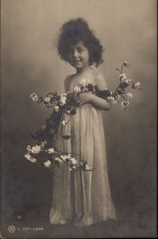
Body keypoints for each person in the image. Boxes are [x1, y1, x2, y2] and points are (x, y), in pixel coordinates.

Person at [49, 18, 116, 226]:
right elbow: (65, 106)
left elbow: (107, 104)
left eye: (80, 49)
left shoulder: (96, 76)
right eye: (70, 51)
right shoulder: (68, 81)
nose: (75, 55)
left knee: (87, 165)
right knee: (70, 166)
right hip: (69, 130)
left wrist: (90, 98)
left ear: (90, 50)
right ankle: (70, 211)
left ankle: (88, 212)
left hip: (89, 130)